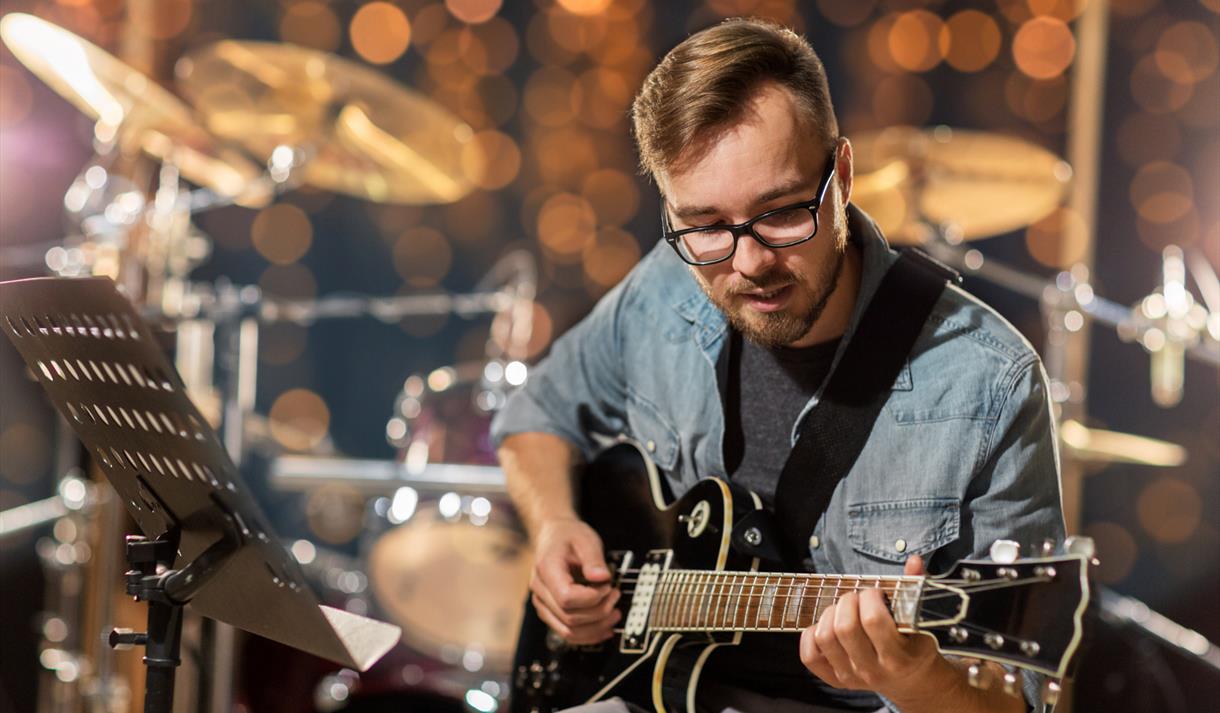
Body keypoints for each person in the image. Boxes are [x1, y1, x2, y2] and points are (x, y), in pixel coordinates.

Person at [491, 17, 1064, 713]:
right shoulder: (664, 288)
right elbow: (537, 412)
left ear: (842, 177)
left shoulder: (990, 380)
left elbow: (1027, 702)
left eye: (783, 212)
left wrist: (916, 677)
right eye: (705, 226)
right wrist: (554, 525)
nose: (749, 261)